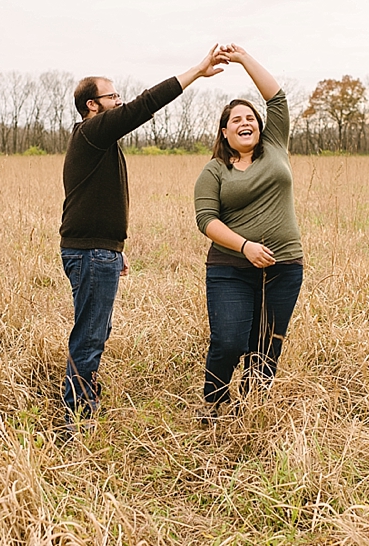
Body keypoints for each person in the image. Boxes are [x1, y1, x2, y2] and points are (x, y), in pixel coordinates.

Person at [60, 45, 228, 426]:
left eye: (118, 95)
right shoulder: (93, 132)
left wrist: (114, 247)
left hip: (97, 249)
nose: (119, 101)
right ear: (92, 105)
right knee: (90, 335)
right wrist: (197, 71)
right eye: (112, 96)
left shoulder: (96, 141)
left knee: (95, 329)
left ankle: (84, 399)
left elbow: (94, 201)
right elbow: (145, 104)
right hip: (90, 253)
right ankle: (77, 416)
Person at [193, 44, 303, 423]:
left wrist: (242, 59)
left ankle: (250, 409)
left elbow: (277, 98)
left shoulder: (275, 147)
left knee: (267, 346)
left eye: (250, 117)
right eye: (236, 119)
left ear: (260, 125)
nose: (246, 122)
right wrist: (245, 246)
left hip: (284, 266)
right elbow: (206, 220)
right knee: (229, 341)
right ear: (225, 132)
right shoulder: (214, 171)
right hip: (230, 269)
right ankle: (214, 402)